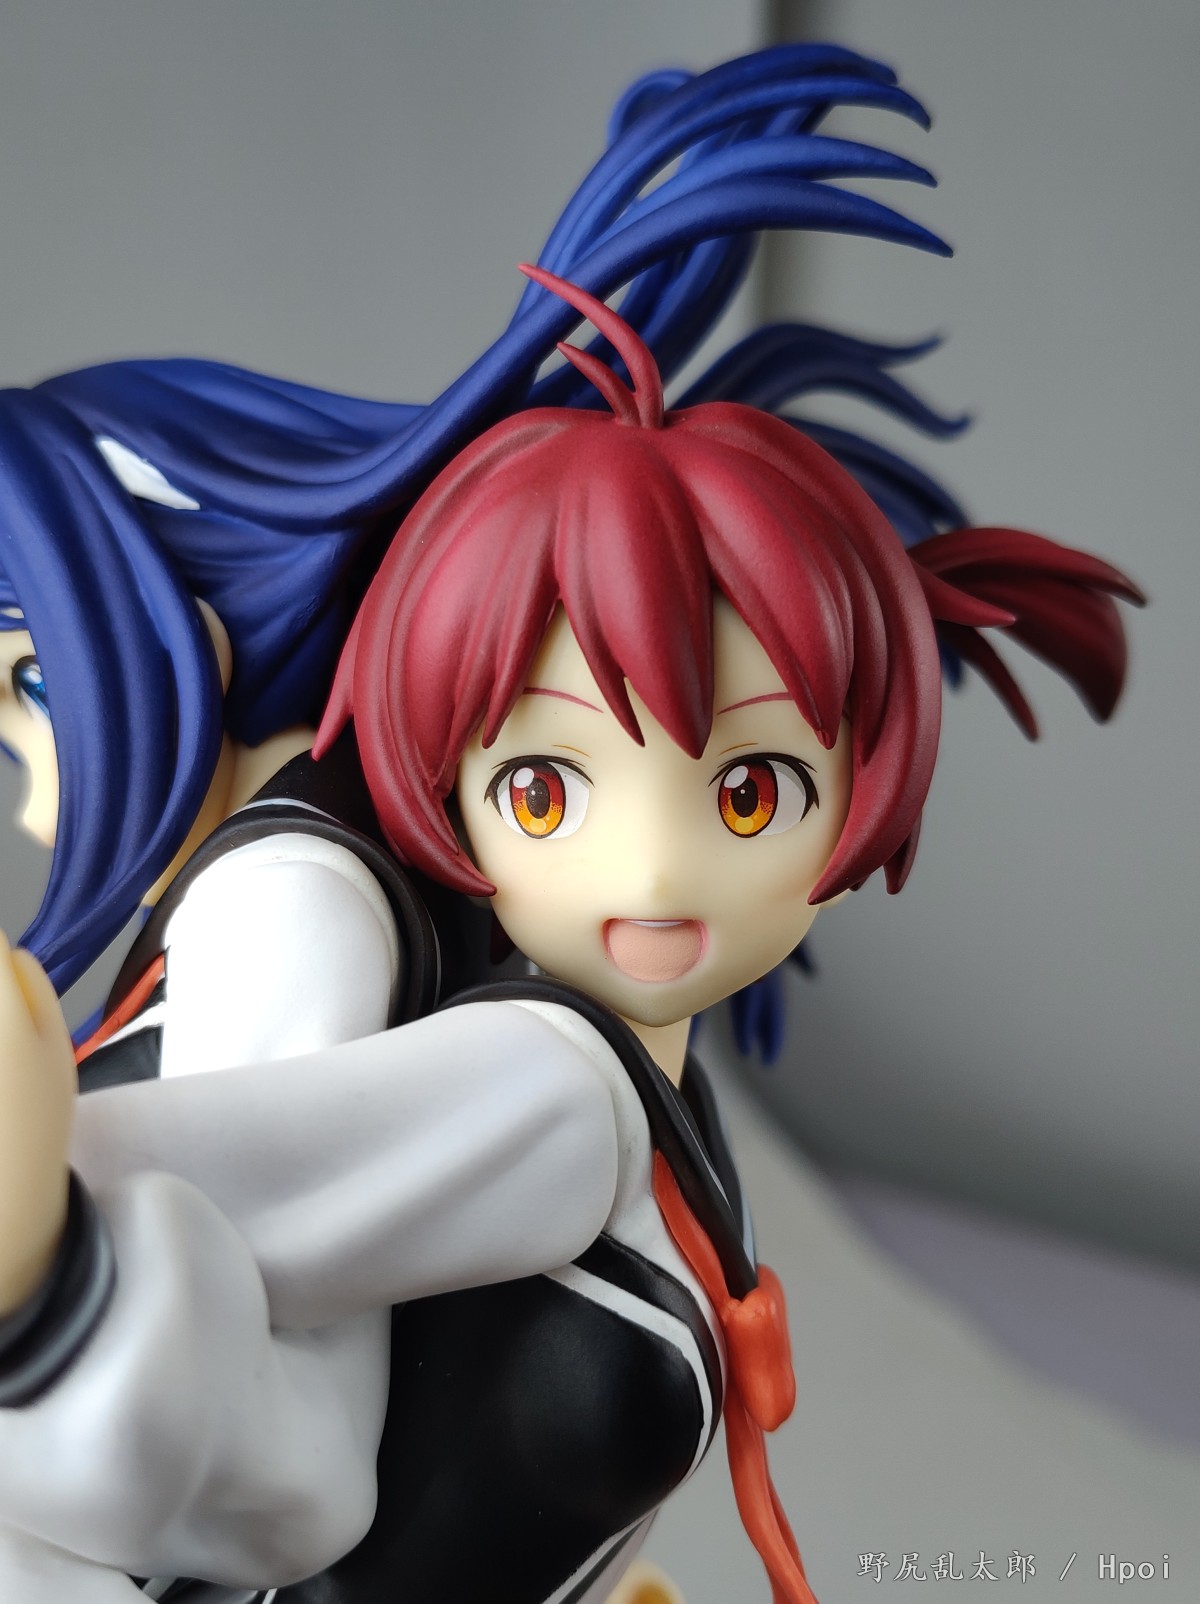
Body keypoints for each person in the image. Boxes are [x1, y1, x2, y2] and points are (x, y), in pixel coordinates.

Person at [0, 269, 1139, 1604]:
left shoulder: (543, 1043)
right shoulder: (539, 1077)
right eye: (546, 793)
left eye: (750, 793)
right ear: (454, 801)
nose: (652, 870)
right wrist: (45, 1246)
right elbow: (232, 1224)